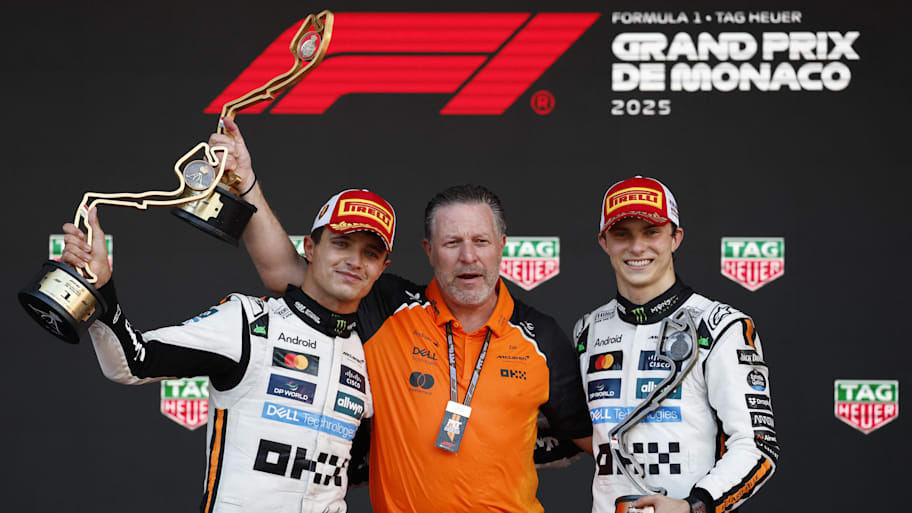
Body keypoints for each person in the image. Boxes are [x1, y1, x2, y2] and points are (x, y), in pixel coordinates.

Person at [212, 119, 593, 513]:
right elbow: (283, 271)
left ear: (502, 246)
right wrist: (247, 182)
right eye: (451, 243)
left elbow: (597, 442)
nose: (468, 257)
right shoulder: (386, 305)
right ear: (428, 251)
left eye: (480, 241)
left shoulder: (541, 337)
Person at [60, 187, 397, 513]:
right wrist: (101, 289)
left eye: (370, 253)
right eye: (341, 243)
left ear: (382, 267)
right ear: (310, 248)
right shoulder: (249, 321)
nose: (355, 261)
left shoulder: (373, 351)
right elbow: (133, 362)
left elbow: (358, 466)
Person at [573, 176, 779, 513]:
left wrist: (692, 507)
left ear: (675, 238)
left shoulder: (719, 325)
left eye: (651, 232)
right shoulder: (588, 330)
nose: (637, 247)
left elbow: (757, 446)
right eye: (622, 234)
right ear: (604, 242)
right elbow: (582, 432)